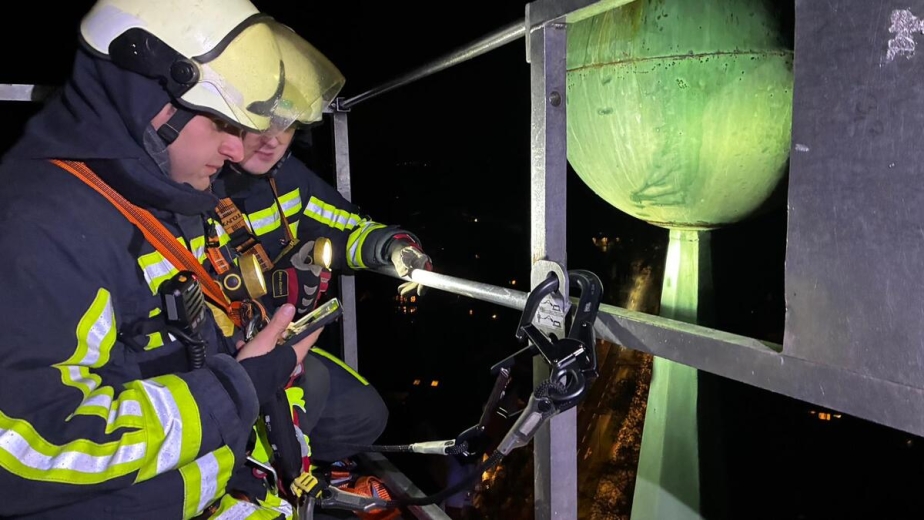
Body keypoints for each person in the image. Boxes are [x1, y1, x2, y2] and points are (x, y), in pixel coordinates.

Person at [0, 1, 329, 518]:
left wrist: (241, 350)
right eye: (223, 120)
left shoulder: (153, 188)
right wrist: (234, 388)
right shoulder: (42, 226)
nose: (237, 149)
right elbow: (20, 451)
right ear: (148, 96)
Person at [212, 112, 434, 467]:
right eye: (261, 122)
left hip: (280, 338)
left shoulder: (286, 179)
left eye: (286, 125)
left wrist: (394, 249)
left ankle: (290, 464)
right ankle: (255, 481)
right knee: (308, 384)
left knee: (364, 415)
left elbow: (347, 227)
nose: (273, 138)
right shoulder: (195, 175)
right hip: (219, 358)